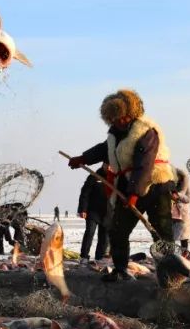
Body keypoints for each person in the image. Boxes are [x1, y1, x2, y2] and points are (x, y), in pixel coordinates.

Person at [67, 89, 176, 284]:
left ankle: (169, 274)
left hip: (155, 185)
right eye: (114, 119)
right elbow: (105, 149)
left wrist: (134, 194)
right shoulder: (115, 133)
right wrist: (83, 158)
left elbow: (144, 164)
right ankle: (120, 269)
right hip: (129, 185)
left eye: (121, 118)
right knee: (117, 229)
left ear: (130, 114)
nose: (118, 122)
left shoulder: (146, 131)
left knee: (161, 231)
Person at [76, 165, 110, 262]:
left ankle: (100, 257)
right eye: (108, 166)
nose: (110, 168)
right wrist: (83, 209)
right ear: (104, 165)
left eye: (112, 166)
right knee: (90, 232)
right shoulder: (94, 176)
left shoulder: (114, 177)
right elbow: (85, 193)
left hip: (107, 212)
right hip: (92, 211)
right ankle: (84, 256)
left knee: (104, 236)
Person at [170, 167, 190, 257]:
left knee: (184, 238)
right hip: (169, 214)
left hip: (182, 215)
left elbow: (189, 199)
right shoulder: (167, 185)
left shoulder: (186, 186)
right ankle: (170, 256)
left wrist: (178, 195)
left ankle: (184, 257)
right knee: (170, 238)